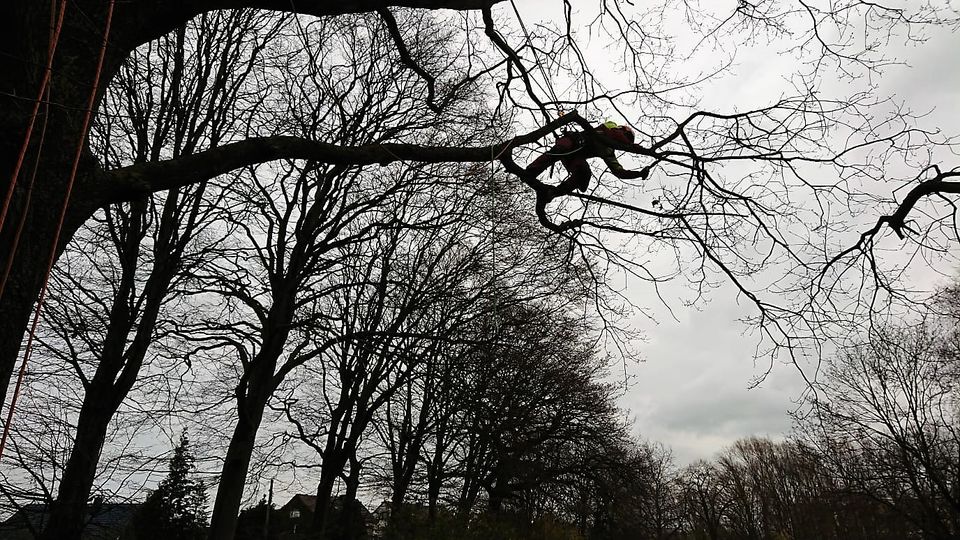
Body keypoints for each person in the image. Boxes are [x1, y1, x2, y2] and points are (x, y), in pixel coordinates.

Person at [525, 120, 648, 194]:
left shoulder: (608, 151)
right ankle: (532, 170)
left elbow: (619, 172)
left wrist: (639, 174)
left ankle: (554, 193)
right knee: (559, 150)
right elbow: (614, 133)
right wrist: (631, 146)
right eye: (625, 137)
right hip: (572, 141)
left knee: (584, 173)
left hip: (575, 157)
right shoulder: (611, 126)